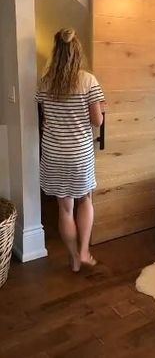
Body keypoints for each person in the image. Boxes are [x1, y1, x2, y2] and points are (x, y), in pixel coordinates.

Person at [36, 28, 105, 272]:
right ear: (77, 51)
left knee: (65, 208)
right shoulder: (88, 80)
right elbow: (97, 121)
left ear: (55, 52)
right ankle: (85, 251)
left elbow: (46, 117)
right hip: (79, 155)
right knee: (85, 199)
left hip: (53, 154)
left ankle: (74, 257)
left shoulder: (45, 82)